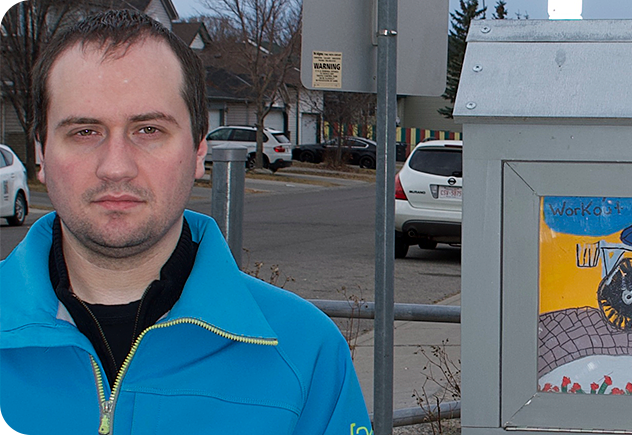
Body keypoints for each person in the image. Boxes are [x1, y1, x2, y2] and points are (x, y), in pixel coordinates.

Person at [0, 10, 372, 434]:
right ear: (41, 154)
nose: (116, 167)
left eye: (148, 130)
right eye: (85, 131)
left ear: (198, 151)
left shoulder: (306, 354)